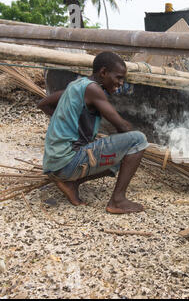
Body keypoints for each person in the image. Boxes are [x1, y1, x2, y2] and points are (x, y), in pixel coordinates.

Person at [37, 51, 149, 214]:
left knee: (121, 155)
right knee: (138, 140)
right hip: (68, 163)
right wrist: (131, 141)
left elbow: (43, 103)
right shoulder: (93, 89)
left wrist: (67, 121)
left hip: (53, 163)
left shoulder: (76, 85)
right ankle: (117, 200)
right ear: (103, 73)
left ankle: (72, 184)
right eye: (118, 77)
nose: (121, 83)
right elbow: (123, 127)